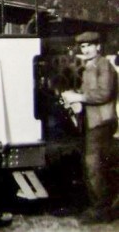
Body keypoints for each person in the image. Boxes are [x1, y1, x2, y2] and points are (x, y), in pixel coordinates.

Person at [62, 31, 118, 224]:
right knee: (91, 165)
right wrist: (75, 94)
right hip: (91, 121)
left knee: (94, 165)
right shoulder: (89, 66)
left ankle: (102, 210)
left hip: (101, 122)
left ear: (98, 47)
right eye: (83, 46)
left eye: (89, 46)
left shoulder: (104, 66)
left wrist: (79, 97)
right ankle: (99, 205)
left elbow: (104, 94)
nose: (85, 49)